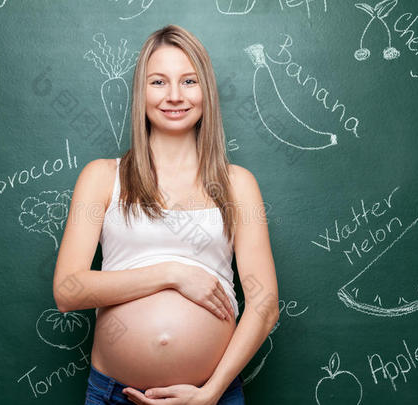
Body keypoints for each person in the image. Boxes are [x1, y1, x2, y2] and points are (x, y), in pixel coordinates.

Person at [53, 24, 279, 405]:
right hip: (114, 395)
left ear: (206, 90)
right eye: (158, 82)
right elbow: (67, 290)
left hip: (212, 396)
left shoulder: (239, 184)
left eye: (189, 81)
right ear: (141, 92)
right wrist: (172, 275)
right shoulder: (101, 177)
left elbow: (265, 303)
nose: (174, 96)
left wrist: (211, 392)